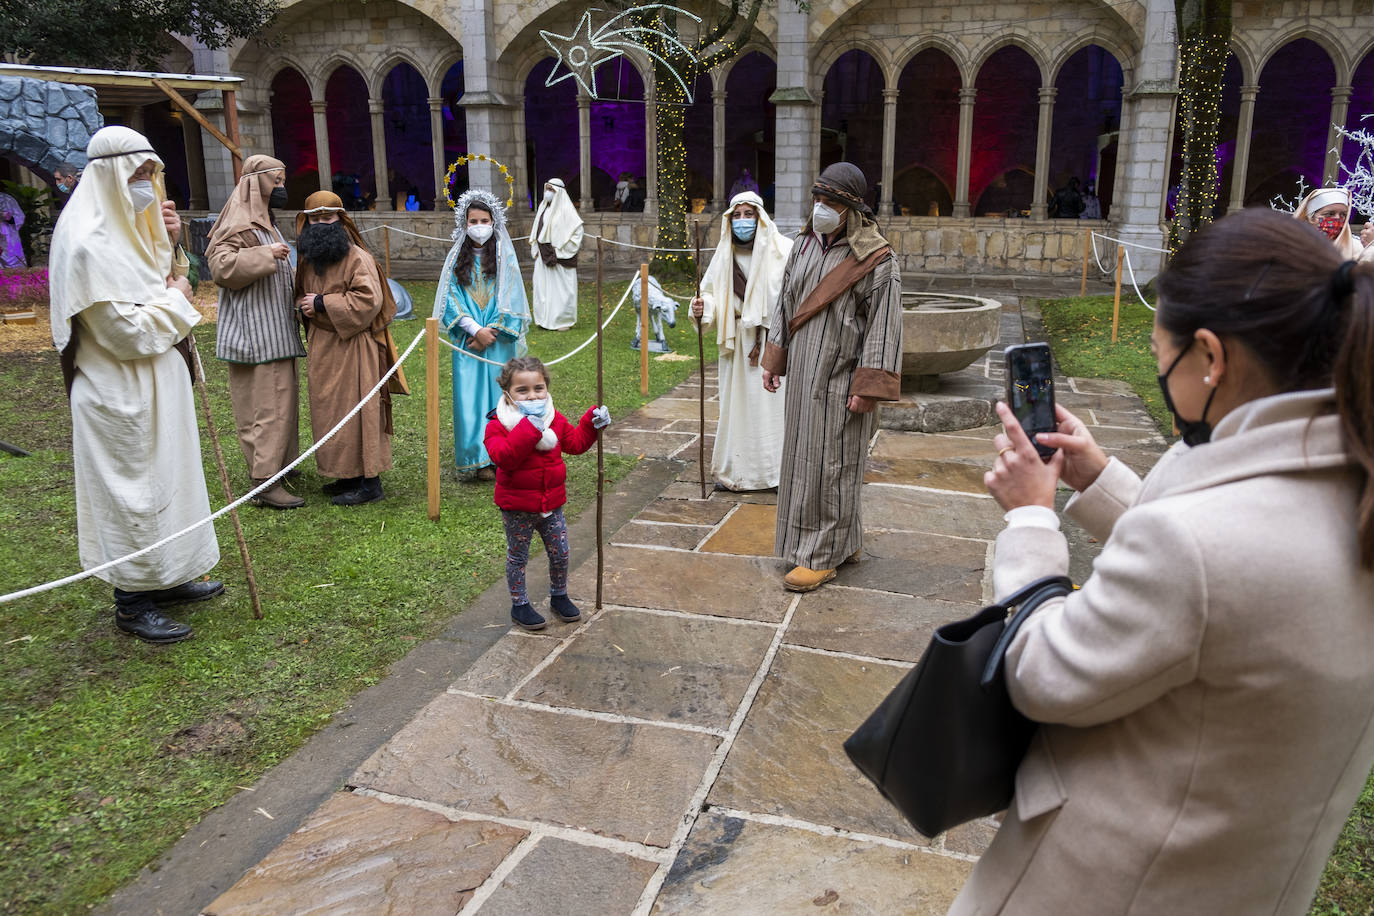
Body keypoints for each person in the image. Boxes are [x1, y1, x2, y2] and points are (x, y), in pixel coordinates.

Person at [959, 206, 1374, 915]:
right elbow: (1217, 591)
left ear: (1211, 357)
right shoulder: (1349, 482)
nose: (1161, 373)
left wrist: (1032, 517)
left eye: (1161, 358)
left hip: (1113, 884)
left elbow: (1043, 672)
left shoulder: (1198, 548)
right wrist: (1097, 478)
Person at [48, 125, 223, 644]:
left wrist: (168, 244)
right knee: (134, 496)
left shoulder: (131, 230)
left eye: (151, 173)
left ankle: (165, 577)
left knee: (170, 485)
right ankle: (132, 600)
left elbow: (159, 280)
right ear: (107, 178)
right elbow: (124, 333)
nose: (147, 185)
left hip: (158, 386)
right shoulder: (86, 245)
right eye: (137, 175)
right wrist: (181, 297)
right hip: (119, 394)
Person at [761, 162, 903, 592]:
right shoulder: (804, 245)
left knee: (834, 464)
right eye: (818, 199)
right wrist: (774, 358)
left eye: (832, 202)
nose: (821, 208)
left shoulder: (877, 258)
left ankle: (822, 556)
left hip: (842, 378)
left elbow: (885, 324)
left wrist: (869, 387)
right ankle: (843, 542)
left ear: (852, 209)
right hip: (803, 375)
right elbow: (786, 301)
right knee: (804, 461)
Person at [205, 155, 305, 510]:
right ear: (256, 182)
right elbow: (219, 267)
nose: (281, 188)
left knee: (280, 403)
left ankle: (281, 464)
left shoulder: (265, 223)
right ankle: (264, 481)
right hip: (256, 335)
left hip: (276, 331)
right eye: (275, 181)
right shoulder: (239, 223)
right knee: (266, 407)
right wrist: (265, 254)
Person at [294, 190, 405, 506]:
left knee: (359, 411)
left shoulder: (358, 257)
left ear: (341, 220)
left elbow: (369, 301)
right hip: (323, 346)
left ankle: (370, 482)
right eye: (314, 218)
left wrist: (321, 302)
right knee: (330, 411)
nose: (320, 224)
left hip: (354, 346)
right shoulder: (309, 258)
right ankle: (348, 475)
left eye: (327, 217)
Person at [484, 356, 610, 631]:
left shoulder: (554, 418)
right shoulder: (498, 424)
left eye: (538, 388)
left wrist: (591, 422)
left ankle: (559, 596)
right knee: (518, 556)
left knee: (561, 553)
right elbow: (504, 458)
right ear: (507, 393)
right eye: (523, 390)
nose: (532, 395)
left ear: (547, 388)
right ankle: (519, 604)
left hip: (552, 504)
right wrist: (529, 428)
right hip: (517, 508)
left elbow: (575, 444)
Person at [691, 191, 793, 490]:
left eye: (749, 214)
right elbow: (708, 294)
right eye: (737, 215)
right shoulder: (724, 255)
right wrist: (701, 308)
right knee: (736, 409)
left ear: (760, 217)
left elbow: (793, 296)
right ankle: (737, 471)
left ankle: (774, 473)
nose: (743, 221)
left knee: (771, 411)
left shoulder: (784, 251)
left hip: (773, 341)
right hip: (737, 345)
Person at [434, 188, 529, 480]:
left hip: (499, 342)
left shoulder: (505, 259)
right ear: (464, 225)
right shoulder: (455, 261)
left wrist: (493, 331)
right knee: (470, 398)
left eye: (484, 220)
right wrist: (474, 329)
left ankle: (502, 456)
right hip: (468, 343)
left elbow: (513, 296)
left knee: (500, 396)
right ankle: (477, 458)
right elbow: (449, 298)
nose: (479, 227)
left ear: (494, 222)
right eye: (472, 221)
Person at [529, 177, 583, 330]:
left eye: (551, 190)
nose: (548, 192)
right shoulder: (543, 208)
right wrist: (540, 251)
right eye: (547, 189)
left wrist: (558, 251)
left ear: (559, 192)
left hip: (560, 259)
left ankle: (562, 321)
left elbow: (577, 232)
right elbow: (537, 231)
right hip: (543, 258)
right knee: (543, 289)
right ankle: (545, 320)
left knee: (561, 291)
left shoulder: (567, 211)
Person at [1294, 186, 1364, 260]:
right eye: (1330, 214)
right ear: (1311, 218)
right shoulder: (1294, 245)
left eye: (1343, 214)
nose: (1337, 218)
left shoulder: (1356, 248)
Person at [0, 189, 25, 268]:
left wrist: (8, 217)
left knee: (16, 264)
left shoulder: (7, 199)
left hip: (9, 237)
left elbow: (19, 217)